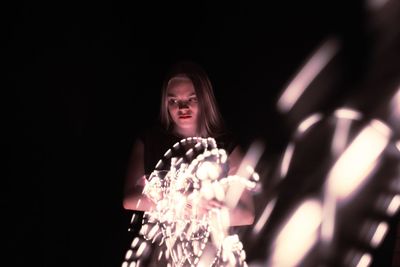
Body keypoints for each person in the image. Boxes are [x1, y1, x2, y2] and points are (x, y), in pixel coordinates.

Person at [122, 60, 255, 266]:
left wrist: (204, 209)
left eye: (191, 99)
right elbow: (130, 199)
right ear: (165, 103)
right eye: (173, 101)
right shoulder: (149, 141)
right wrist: (178, 200)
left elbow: (247, 214)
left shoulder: (226, 147)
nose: (182, 107)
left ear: (204, 99)